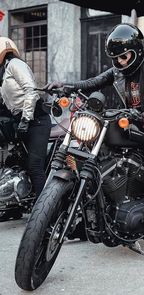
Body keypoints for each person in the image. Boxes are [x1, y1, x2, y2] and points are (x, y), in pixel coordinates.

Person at [44, 23, 144, 263]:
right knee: (102, 159)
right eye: (117, 58)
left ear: (138, 51)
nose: (121, 62)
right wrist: (66, 86)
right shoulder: (117, 71)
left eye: (125, 56)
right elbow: (93, 82)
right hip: (130, 127)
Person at [0, 37, 51, 221]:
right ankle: (13, 208)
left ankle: (45, 213)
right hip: (21, 121)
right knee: (15, 162)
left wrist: (25, 119)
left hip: (36, 120)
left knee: (34, 166)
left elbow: (31, 90)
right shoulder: (3, 73)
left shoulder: (15, 64)